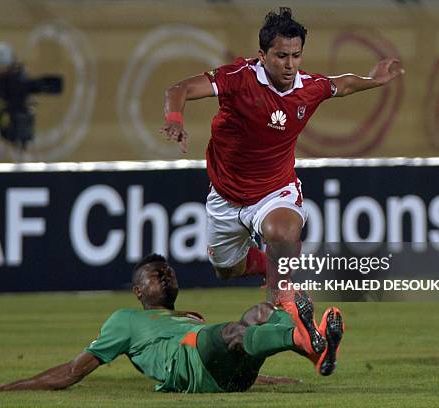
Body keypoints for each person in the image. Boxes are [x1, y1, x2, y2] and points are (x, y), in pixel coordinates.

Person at [160, 7, 404, 294]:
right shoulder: (238, 78)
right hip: (226, 196)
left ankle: (281, 303)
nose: (290, 64)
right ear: (263, 56)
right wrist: (175, 120)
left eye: (296, 55)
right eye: (281, 56)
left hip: (275, 191)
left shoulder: (309, 88)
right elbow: (179, 89)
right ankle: (266, 266)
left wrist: (373, 79)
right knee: (226, 270)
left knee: (283, 232)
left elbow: (343, 84)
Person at [0, 254, 344, 394]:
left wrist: (268, 379)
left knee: (258, 314)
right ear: (138, 290)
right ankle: (301, 338)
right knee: (237, 330)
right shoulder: (125, 320)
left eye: (168, 272)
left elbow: (229, 348)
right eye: (156, 274)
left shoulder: (190, 318)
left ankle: (308, 345)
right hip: (188, 366)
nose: (165, 275)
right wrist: (5, 389)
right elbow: (72, 372)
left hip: (232, 377)